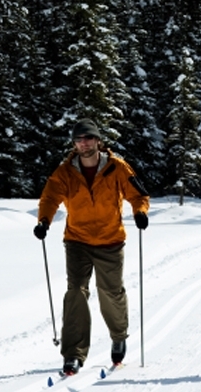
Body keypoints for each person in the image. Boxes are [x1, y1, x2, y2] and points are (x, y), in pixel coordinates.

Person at [33, 118, 150, 376]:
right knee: (75, 291)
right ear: (74, 144)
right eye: (78, 139)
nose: (83, 143)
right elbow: (50, 197)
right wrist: (44, 221)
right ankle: (73, 354)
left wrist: (140, 211)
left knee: (110, 291)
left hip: (110, 240)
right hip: (77, 241)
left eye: (88, 138)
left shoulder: (116, 167)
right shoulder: (65, 171)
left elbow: (138, 194)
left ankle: (118, 336)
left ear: (98, 140)